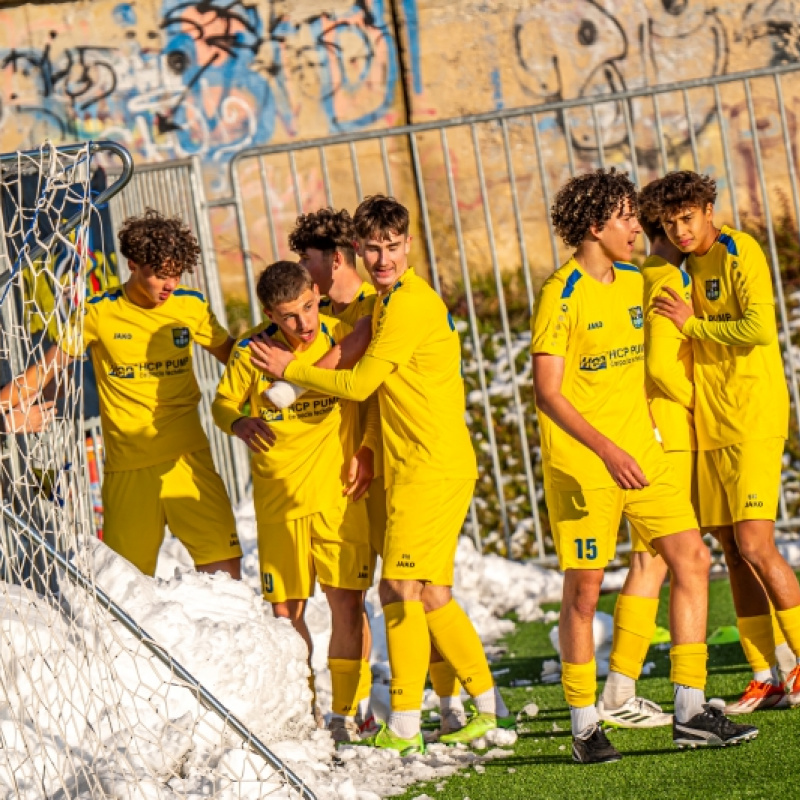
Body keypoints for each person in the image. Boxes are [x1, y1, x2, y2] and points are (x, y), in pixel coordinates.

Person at [249, 195, 511, 755]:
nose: (382, 256)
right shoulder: (386, 304)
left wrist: (290, 373)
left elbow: (361, 383)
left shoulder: (407, 304)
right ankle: (489, 709)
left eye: (392, 246)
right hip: (409, 464)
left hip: (428, 465)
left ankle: (408, 725)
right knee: (431, 591)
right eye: (374, 247)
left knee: (398, 588)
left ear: (407, 245)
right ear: (359, 249)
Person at [531, 168, 756, 764]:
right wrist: (608, 450)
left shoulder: (636, 279)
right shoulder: (562, 293)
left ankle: (689, 709)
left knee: (692, 558)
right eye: (628, 217)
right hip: (585, 466)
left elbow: (694, 275)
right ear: (594, 226)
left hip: (644, 456)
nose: (639, 227)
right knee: (583, 595)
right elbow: (547, 392)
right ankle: (584, 725)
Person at [281, 206, 468, 738]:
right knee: (368, 594)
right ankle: (364, 708)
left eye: (308, 260)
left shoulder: (381, 309)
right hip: (348, 477)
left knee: (414, 587)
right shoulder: (316, 318)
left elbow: (368, 389)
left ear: (335, 259)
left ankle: (453, 702)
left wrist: (364, 445)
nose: (304, 272)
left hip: (400, 465)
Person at [0, 209, 243, 579]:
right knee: (125, 592)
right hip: (127, 471)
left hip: (188, 461)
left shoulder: (190, 307)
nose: (170, 285)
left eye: (176, 274)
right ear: (133, 264)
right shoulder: (98, 314)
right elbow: (42, 374)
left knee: (227, 582)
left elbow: (240, 362)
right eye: (160, 275)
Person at [650, 170, 800, 710]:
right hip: (712, 424)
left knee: (757, 544)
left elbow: (760, 328)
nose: (681, 230)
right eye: (670, 223)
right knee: (732, 551)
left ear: (709, 209)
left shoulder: (741, 251)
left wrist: (692, 325)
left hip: (754, 415)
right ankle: (766, 675)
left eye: (687, 218)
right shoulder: (683, 267)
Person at [212, 259, 376, 743]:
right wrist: (238, 421)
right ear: (269, 314)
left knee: (347, 605)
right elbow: (224, 403)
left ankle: (350, 712)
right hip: (278, 502)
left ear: (316, 294)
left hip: (336, 497)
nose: (303, 323)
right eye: (289, 316)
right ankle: (305, 711)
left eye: (308, 307)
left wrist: (364, 449)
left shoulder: (342, 336)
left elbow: (367, 398)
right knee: (287, 616)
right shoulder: (251, 351)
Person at [596, 186, 692, 730]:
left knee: (651, 561)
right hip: (666, 430)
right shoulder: (663, 277)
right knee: (660, 561)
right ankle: (630, 691)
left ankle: (619, 689)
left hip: (643, 428)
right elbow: (658, 364)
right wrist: (699, 401)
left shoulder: (638, 278)